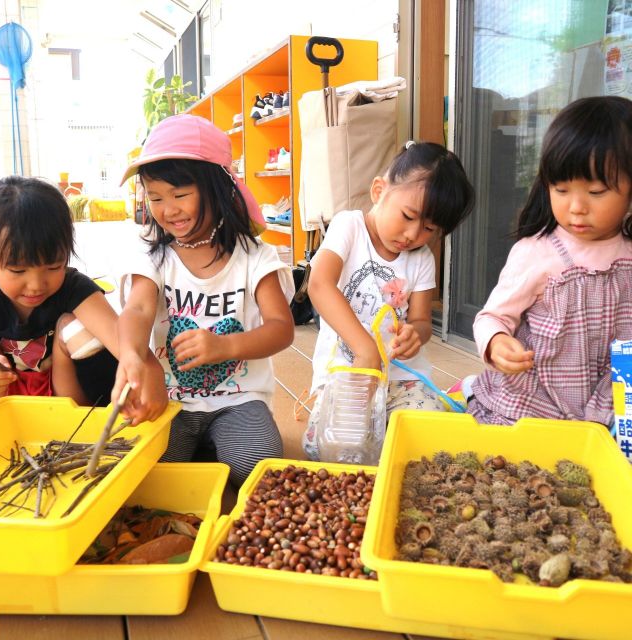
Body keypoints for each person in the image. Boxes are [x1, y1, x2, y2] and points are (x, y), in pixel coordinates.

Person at [114, 114, 295, 485]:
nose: (168, 209)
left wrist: (226, 345)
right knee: (145, 473)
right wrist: (130, 354)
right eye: (155, 197)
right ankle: (201, 446)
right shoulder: (153, 257)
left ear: (217, 188)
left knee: (258, 469)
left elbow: (281, 329)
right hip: (171, 401)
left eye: (180, 195)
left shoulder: (254, 256)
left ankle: (223, 442)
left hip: (239, 398)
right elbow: (138, 308)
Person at [302, 140, 475, 460]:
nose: (412, 235)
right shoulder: (349, 225)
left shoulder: (421, 258)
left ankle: (458, 394)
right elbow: (319, 284)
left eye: (428, 229)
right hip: (347, 375)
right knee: (326, 449)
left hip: (402, 380)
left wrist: (416, 334)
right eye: (408, 216)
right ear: (379, 191)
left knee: (432, 446)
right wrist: (365, 348)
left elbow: (422, 322)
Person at [469, 96, 632, 427]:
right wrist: (498, 343)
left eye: (596, 191)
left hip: (609, 407)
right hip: (533, 402)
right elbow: (492, 317)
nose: (576, 207)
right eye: (561, 189)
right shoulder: (538, 253)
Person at [0, 175, 165, 422]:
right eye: (18, 271)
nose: (35, 285)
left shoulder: (73, 287)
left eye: (54, 266)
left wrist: (151, 373)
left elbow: (121, 339)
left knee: (74, 326)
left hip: (65, 396)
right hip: (7, 397)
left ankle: (79, 425)